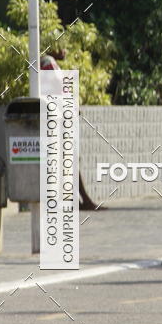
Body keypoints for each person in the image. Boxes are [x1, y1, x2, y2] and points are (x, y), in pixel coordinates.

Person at [40, 45, 100, 210]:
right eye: (62, 47)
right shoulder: (48, 63)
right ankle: (84, 200)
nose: (65, 51)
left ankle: (77, 199)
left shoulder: (46, 62)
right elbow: (59, 86)